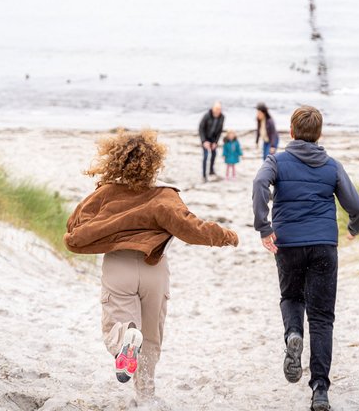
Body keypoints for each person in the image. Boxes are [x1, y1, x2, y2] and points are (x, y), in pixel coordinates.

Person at [64, 130, 238, 407]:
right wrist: (225, 236)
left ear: (115, 161)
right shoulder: (164, 195)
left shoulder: (105, 194)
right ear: (154, 162)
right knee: (152, 334)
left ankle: (126, 339)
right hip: (154, 268)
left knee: (116, 325)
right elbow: (191, 228)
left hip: (118, 265)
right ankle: (145, 392)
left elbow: (75, 227)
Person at [251, 106, 359, 411]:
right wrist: (355, 226)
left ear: (290, 132)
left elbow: (259, 184)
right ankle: (320, 389)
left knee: (291, 297)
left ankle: (292, 334)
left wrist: (264, 226)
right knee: (322, 317)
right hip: (324, 245)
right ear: (319, 134)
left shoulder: (277, 161)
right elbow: (357, 205)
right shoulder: (331, 165)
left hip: (288, 243)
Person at [199, 101, 224, 182]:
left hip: (213, 139)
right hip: (205, 138)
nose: (218, 110)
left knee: (214, 154)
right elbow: (201, 128)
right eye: (216, 109)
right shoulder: (207, 116)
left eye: (219, 109)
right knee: (206, 156)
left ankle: (211, 171)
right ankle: (204, 175)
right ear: (213, 108)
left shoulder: (222, 117)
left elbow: (220, 131)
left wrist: (215, 142)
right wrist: (204, 141)